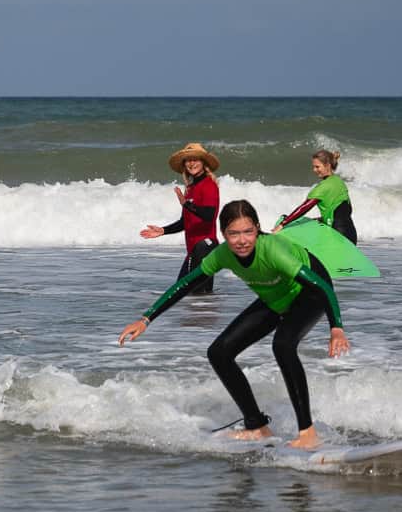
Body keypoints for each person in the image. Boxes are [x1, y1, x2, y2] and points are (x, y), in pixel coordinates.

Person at [120, 199, 349, 448]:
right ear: (223, 234)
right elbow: (185, 284)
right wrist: (146, 318)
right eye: (234, 233)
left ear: (258, 228)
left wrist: (335, 327)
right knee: (219, 352)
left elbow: (321, 285)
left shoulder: (273, 249)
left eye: (248, 232)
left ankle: (308, 433)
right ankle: (256, 427)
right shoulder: (222, 255)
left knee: (283, 345)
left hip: (309, 295)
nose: (242, 240)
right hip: (274, 296)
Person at [140, 142, 220, 294]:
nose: (191, 163)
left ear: (203, 162)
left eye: (195, 159)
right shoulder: (190, 189)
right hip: (195, 249)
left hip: (204, 246)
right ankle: (205, 317)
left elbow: (209, 215)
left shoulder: (208, 185)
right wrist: (163, 230)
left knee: (186, 293)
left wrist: (186, 204)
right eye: (188, 160)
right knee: (200, 296)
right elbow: (185, 222)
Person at [273, 148, 357, 244]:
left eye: (317, 167)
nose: (314, 170)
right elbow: (346, 209)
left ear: (328, 165)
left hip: (338, 237)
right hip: (351, 235)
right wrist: (321, 219)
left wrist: (283, 224)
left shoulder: (323, 187)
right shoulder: (339, 182)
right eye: (314, 167)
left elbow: (304, 207)